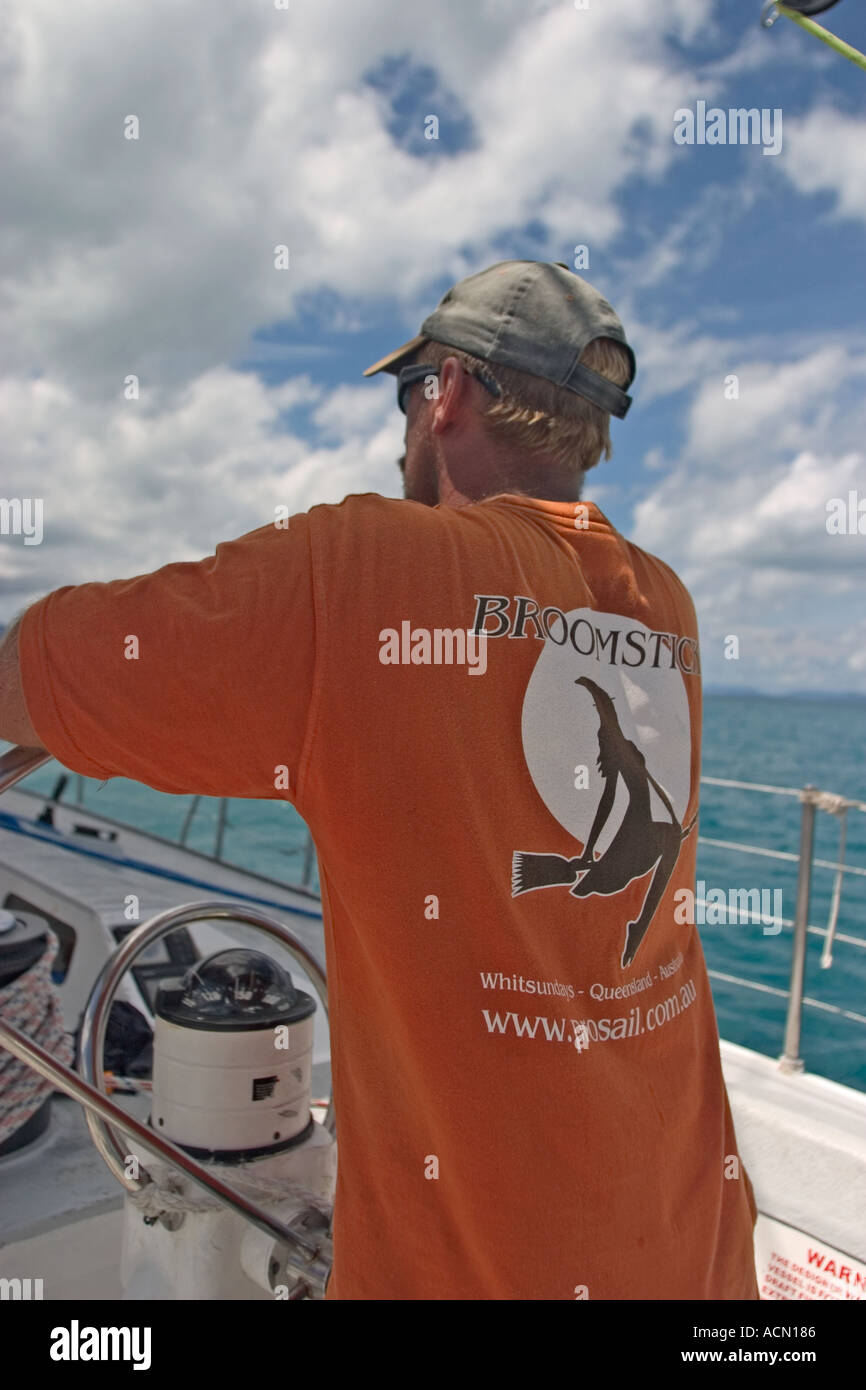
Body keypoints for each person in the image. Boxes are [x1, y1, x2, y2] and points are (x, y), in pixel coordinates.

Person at [0, 259, 759, 1300]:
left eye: (408, 396)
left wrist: (51, 711)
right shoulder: (659, 603)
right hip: (695, 1245)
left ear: (444, 391)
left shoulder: (363, 571)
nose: (403, 427)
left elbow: (46, 664)